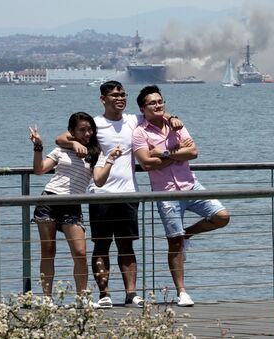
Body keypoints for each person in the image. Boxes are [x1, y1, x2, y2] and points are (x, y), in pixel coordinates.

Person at [55, 81, 183, 308]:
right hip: (100, 193)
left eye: (123, 94)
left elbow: (156, 114)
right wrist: (74, 144)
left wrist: (171, 117)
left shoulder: (134, 120)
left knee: (127, 245)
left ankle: (131, 294)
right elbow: (61, 138)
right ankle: (104, 294)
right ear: (103, 99)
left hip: (129, 193)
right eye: (114, 95)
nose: (120, 98)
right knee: (101, 245)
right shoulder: (95, 123)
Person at [132, 85, 230, 307]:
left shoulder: (176, 124)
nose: (158, 105)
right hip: (166, 193)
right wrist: (176, 155)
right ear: (142, 108)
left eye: (160, 101)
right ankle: (182, 292)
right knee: (173, 242)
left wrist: (164, 153)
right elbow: (147, 163)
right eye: (152, 103)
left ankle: (188, 235)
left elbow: (193, 152)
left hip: (191, 186)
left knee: (222, 216)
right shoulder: (139, 133)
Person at [30, 112, 120, 298]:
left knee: (80, 252)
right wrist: (38, 146)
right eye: (82, 130)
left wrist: (110, 160)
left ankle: (82, 298)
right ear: (72, 132)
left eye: (90, 130)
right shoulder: (61, 150)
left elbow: (99, 181)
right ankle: (46, 298)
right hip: (49, 200)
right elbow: (39, 170)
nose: (87, 134)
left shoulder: (95, 154)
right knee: (48, 251)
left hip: (72, 205)